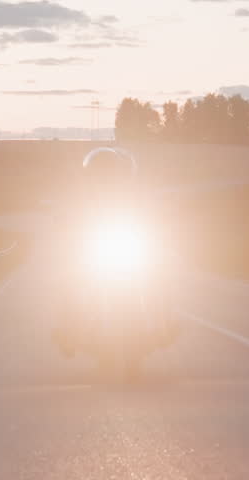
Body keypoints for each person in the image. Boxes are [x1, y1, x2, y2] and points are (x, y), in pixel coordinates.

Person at [53, 146, 175, 358]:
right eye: (100, 173)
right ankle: (68, 331)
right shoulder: (81, 198)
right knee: (68, 280)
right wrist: (66, 229)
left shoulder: (136, 195)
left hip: (129, 246)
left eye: (109, 172)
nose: (105, 178)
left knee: (159, 275)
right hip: (93, 250)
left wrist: (160, 228)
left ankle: (163, 325)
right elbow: (66, 220)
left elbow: (155, 217)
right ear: (91, 174)